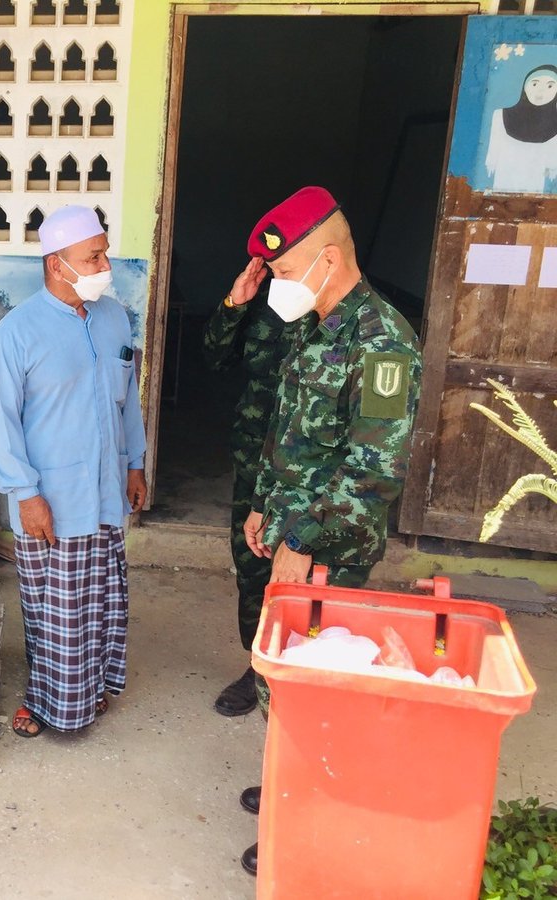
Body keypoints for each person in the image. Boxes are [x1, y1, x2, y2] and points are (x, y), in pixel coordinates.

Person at [236, 186, 423, 877]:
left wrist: (303, 537)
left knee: (311, 687)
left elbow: (374, 472)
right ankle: (292, 780)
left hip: (327, 549)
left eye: (284, 274)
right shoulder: (314, 322)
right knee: (281, 679)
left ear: (330, 259)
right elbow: (287, 432)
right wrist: (261, 506)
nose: (276, 288)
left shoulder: (382, 345)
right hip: (289, 533)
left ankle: (307, 817)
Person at [0, 205, 148, 739]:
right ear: (58, 264)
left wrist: (136, 463)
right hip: (50, 499)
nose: (106, 264)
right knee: (52, 611)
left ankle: (93, 686)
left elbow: (129, 403)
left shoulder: (115, 317)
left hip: (105, 491)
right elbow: (2, 423)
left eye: (103, 252)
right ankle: (43, 700)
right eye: (93, 256)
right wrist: (26, 494)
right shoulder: (16, 333)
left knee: (101, 601)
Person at [203, 264, 313, 717]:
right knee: (251, 567)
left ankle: (305, 675)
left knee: (311, 577)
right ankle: (258, 666)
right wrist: (235, 303)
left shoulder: (338, 310)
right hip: (255, 465)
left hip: (311, 477)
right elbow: (214, 357)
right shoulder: (263, 302)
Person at [485, 64, 557, 193]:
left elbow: (551, 168)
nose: (540, 91)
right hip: (500, 193)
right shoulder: (500, 115)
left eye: (550, 86)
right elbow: (492, 161)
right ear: (524, 87)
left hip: (533, 197)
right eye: (534, 84)